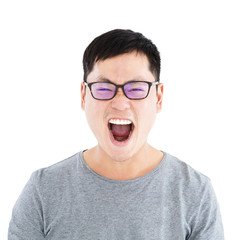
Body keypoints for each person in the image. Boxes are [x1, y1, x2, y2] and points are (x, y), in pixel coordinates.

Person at [8, 29, 224, 239]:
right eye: (103, 88)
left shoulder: (195, 192)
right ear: (84, 96)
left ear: (158, 98)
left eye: (137, 89)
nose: (120, 103)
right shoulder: (43, 191)